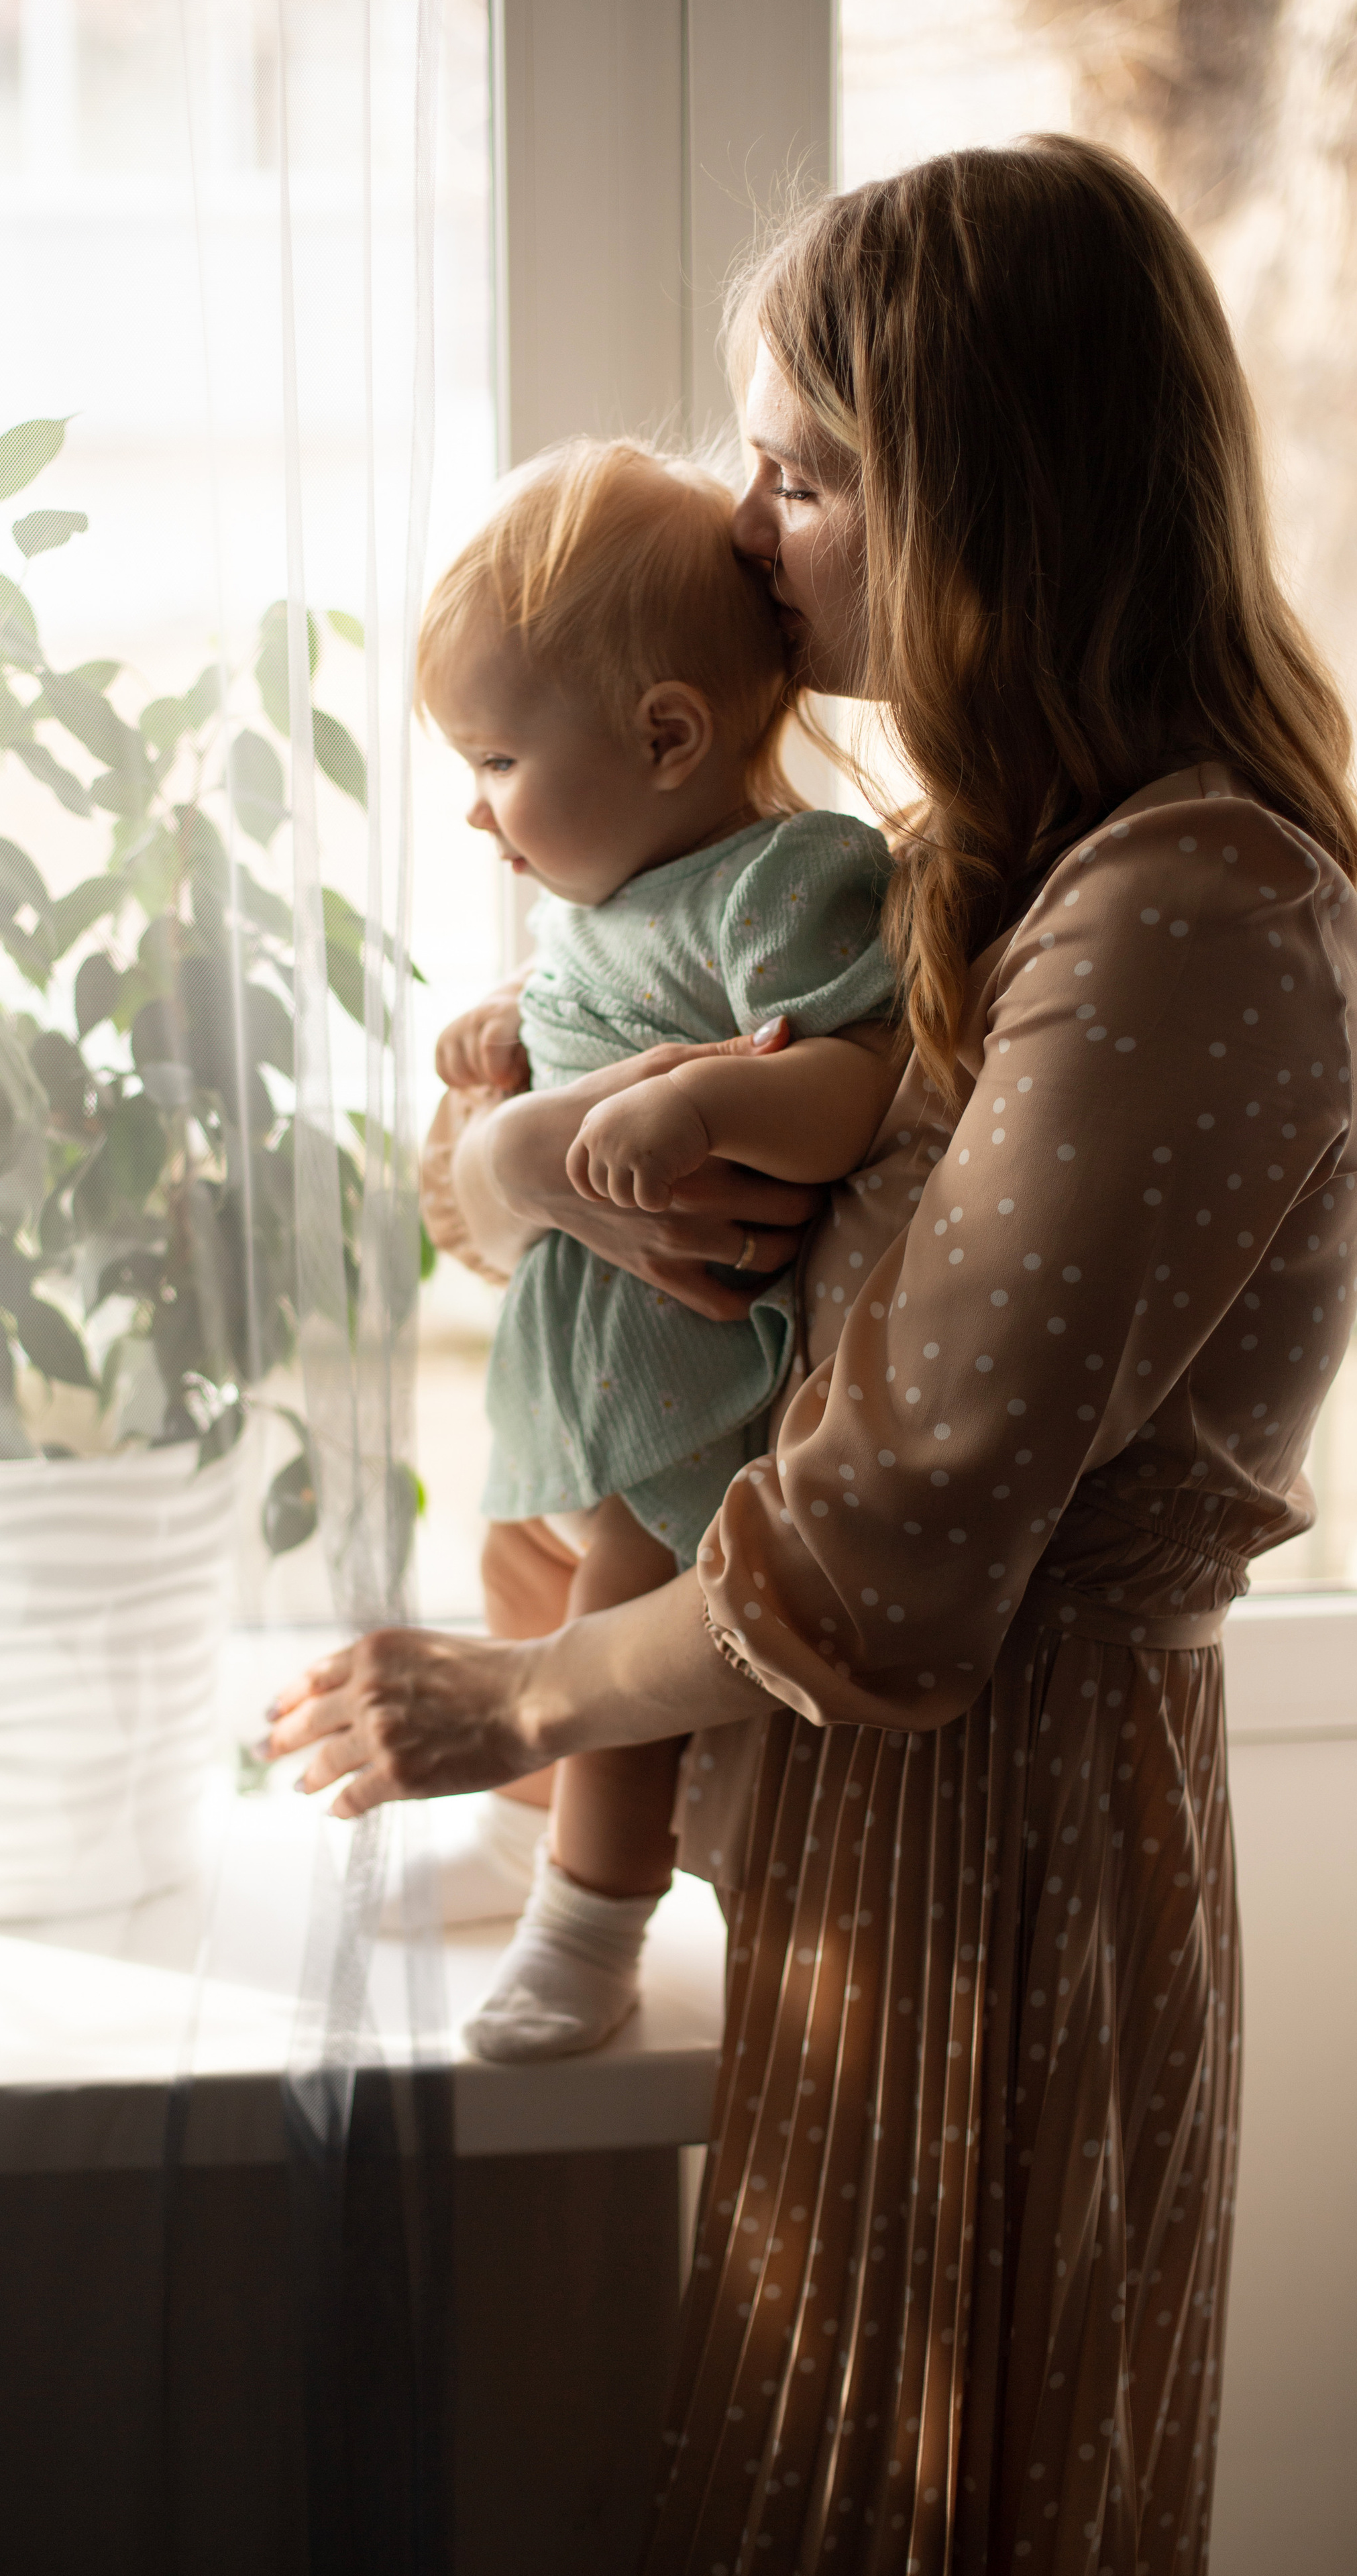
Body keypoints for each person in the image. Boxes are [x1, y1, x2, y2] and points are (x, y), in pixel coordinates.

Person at [271, 133, 1357, 2569]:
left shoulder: (1188, 918)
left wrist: (518, 1703)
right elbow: (488, 1200)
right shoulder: (970, 873)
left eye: (803, 473)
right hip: (888, 1833)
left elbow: (889, 1536)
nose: (746, 528)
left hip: (1006, 1862)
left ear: (990, 502)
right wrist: (528, 1158)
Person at [413, 438, 904, 2060]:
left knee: (609, 1644)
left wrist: (699, 1103)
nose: (475, 807)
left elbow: (852, 1082)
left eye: (495, 759)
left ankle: (590, 1920)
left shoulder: (785, 882)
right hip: (579, 1374)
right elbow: (576, 1039)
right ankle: (515, 1833)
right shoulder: (602, 900)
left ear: (667, 737)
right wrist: (509, 1038)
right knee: (520, 1575)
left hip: (687, 1396)